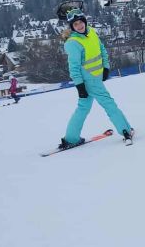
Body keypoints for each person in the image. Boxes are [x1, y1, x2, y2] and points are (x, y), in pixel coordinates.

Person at [57, 8, 134, 149]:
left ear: (84, 21)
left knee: (83, 108)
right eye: (75, 24)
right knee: (109, 104)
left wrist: (106, 67)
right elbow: (74, 67)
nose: (79, 26)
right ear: (72, 27)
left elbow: (102, 49)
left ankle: (71, 138)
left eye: (81, 22)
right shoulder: (73, 43)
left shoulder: (91, 32)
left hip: (96, 77)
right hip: (89, 80)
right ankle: (126, 130)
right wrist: (80, 86)